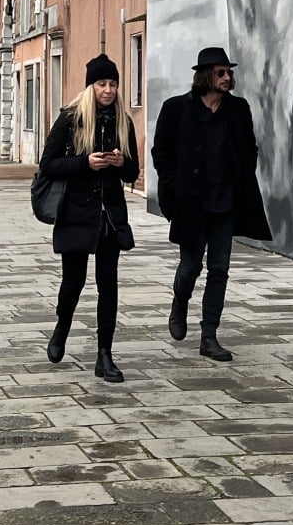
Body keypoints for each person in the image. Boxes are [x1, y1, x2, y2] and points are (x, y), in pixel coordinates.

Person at [151, 46, 272, 361]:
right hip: (191, 204)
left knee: (220, 269)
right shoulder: (177, 109)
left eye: (229, 72)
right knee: (191, 266)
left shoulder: (238, 108)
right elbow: (160, 152)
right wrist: (173, 185)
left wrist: (242, 174)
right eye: (221, 72)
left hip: (226, 203)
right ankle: (179, 304)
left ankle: (209, 336)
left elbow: (250, 148)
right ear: (205, 75)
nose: (228, 77)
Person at [38, 54, 139, 383]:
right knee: (73, 282)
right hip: (76, 212)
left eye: (112, 84)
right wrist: (85, 163)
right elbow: (48, 164)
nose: (108, 90)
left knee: (108, 285)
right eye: (101, 84)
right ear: (90, 86)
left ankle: (104, 355)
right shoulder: (70, 119)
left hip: (110, 214)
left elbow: (132, 173)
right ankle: (61, 329)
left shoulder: (124, 121)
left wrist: (119, 161)